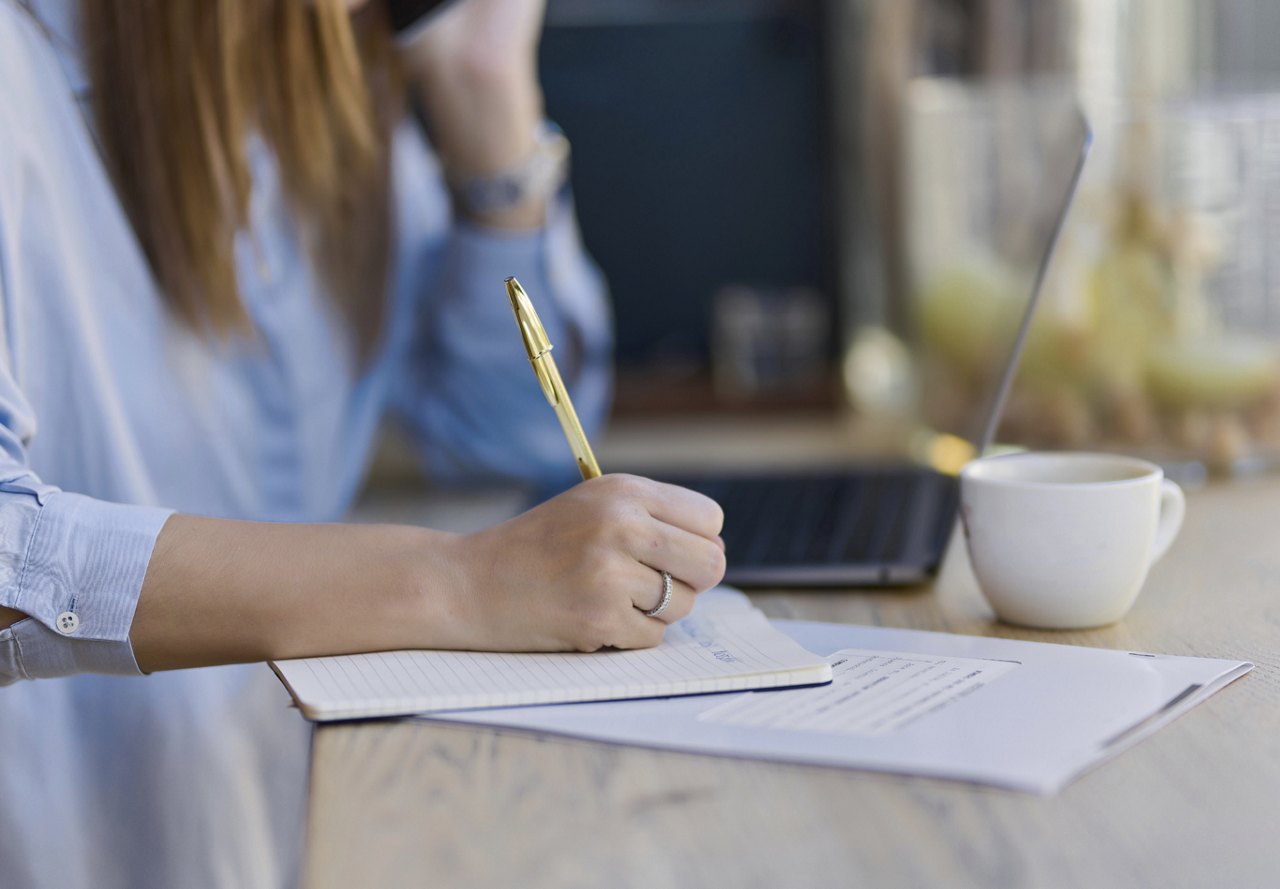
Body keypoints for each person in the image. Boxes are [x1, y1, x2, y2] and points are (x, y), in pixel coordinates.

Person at [0, 1, 727, 886]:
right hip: (80, 838)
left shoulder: (318, 78)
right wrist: (462, 582)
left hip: (295, 815)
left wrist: (487, 100)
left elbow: (503, 437)